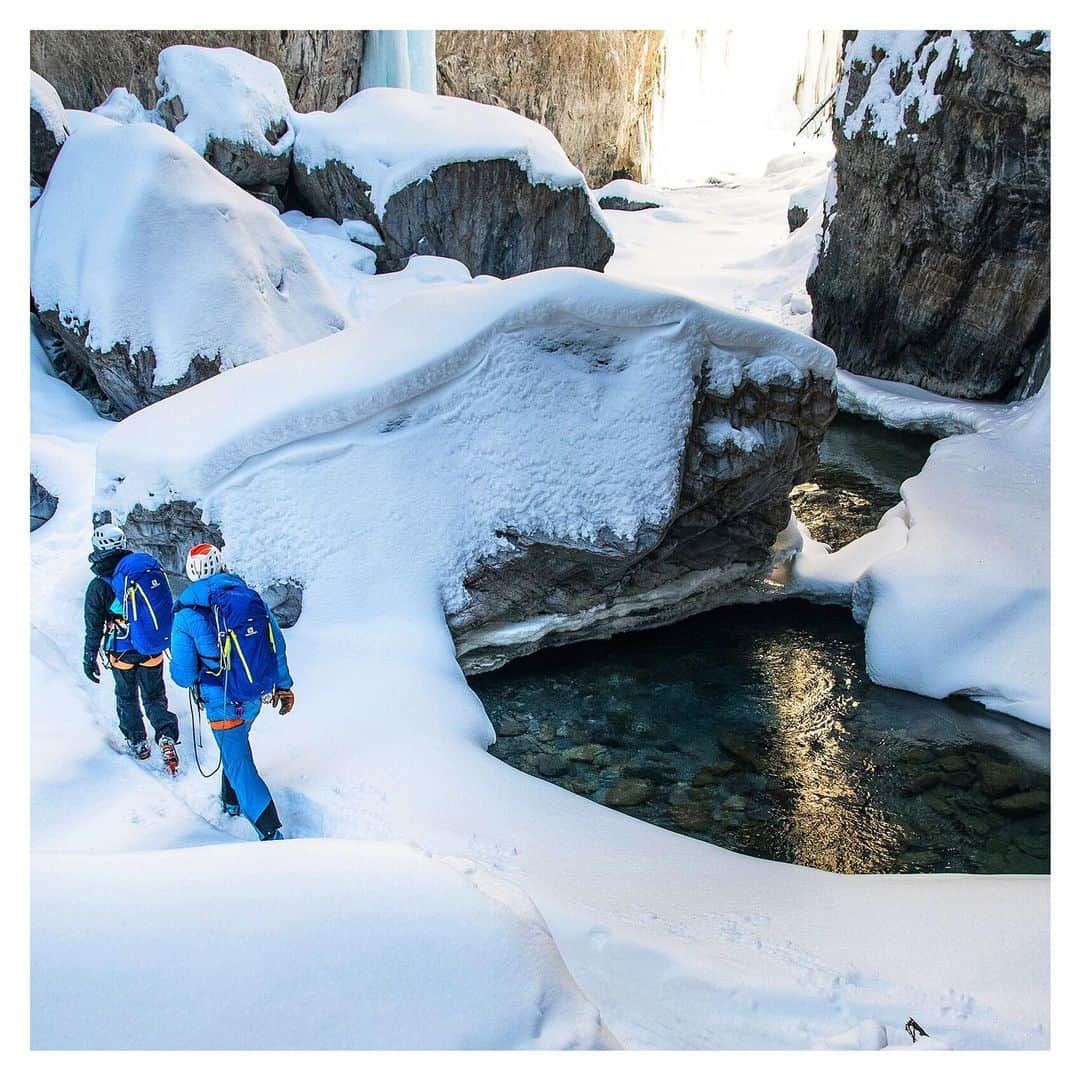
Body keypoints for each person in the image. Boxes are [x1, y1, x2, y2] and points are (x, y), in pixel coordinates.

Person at [169, 543, 295, 841]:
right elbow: (276, 644)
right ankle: (231, 801)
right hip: (255, 696)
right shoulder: (250, 599)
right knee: (235, 746)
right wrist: (285, 686)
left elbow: (184, 677)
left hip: (223, 702)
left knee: (239, 765)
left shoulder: (186, 616)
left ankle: (271, 833)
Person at [82, 523, 181, 770]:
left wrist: (89, 658)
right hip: (150, 647)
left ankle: (138, 742)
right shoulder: (140, 573)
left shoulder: (99, 586)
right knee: (155, 694)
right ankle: (165, 734)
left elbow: (93, 627)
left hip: (122, 651)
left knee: (126, 696)